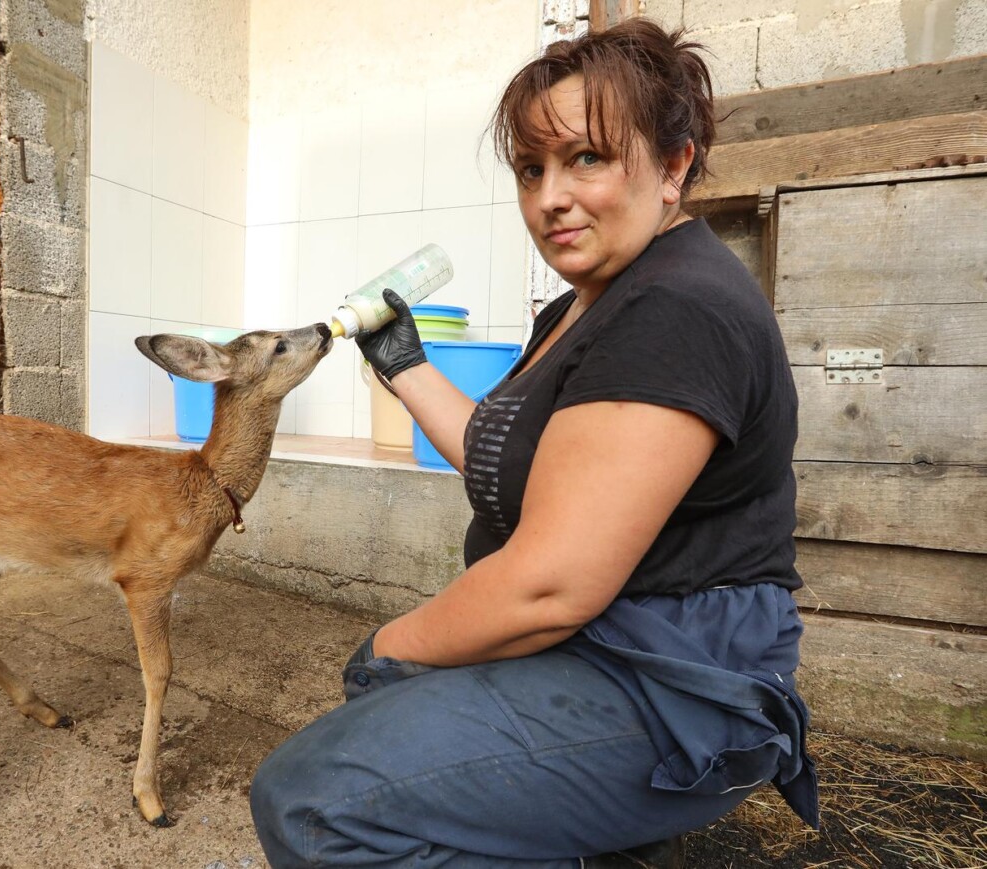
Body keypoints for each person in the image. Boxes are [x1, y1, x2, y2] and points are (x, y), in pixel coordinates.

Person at [249, 18, 819, 868]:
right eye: (531, 167)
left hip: (668, 681)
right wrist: (403, 364)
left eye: (586, 157)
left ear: (674, 165)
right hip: (604, 649)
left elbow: (550, 586)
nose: (550, 195)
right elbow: (504, 452)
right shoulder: (583, 304)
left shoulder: (676, 310)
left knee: (312, 801)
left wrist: (389, 646)